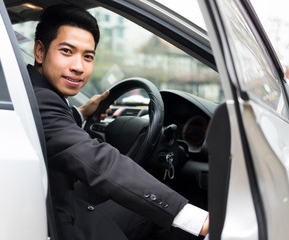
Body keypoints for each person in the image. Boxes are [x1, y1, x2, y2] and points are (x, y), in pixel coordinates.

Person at [27, 4, 209, 240]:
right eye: (67, 51)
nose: (78, 67)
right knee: (176, 220)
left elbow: (53, 128)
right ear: (40, 51)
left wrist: (81, 113)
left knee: (149, 210)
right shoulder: (41, 100)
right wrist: (193, 217)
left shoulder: (32, 91)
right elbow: (101, 162)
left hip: (58, 205)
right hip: (61, 224)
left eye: (88, 56)